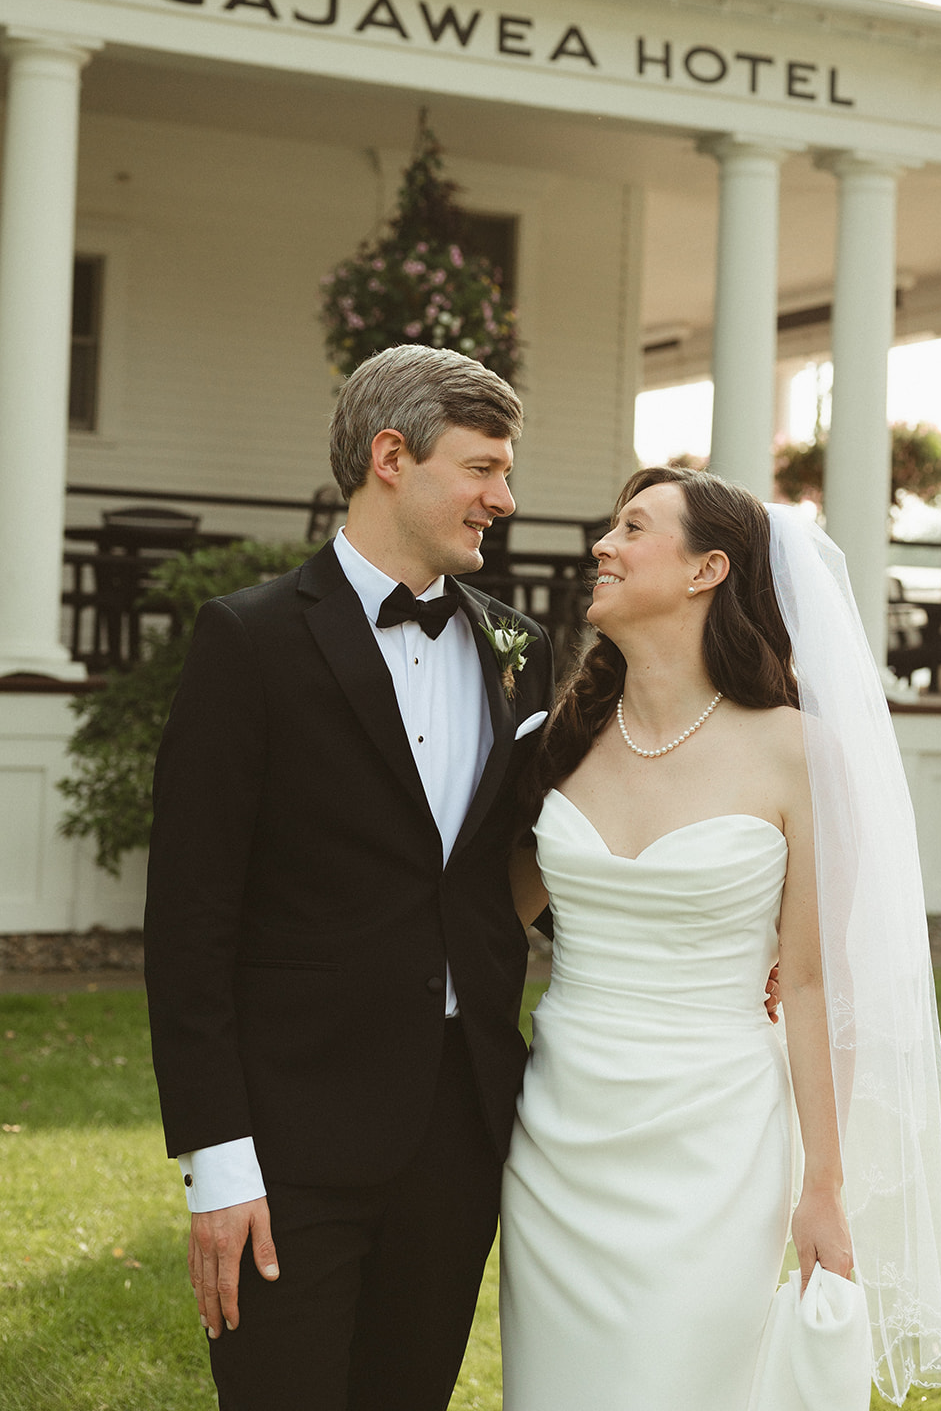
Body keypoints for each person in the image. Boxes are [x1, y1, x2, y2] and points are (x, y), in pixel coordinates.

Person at [501, 466, 941, 1410]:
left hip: (714, 1142)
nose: (603, 545)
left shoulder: (795, 750)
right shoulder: (556, 741)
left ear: (705, 570)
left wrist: (824, 1189)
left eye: (632, 528)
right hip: (558, 1138)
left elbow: (808, 984)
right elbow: (482, 925)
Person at [143, 344, 555, 1411]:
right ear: (390, 457)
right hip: (291, 1147)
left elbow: (518, 864)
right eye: (482, 468)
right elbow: (188, 927)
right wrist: (219, 1164)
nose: (502, 499)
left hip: (460, 1134)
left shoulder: (518, 649)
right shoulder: (248, 640)